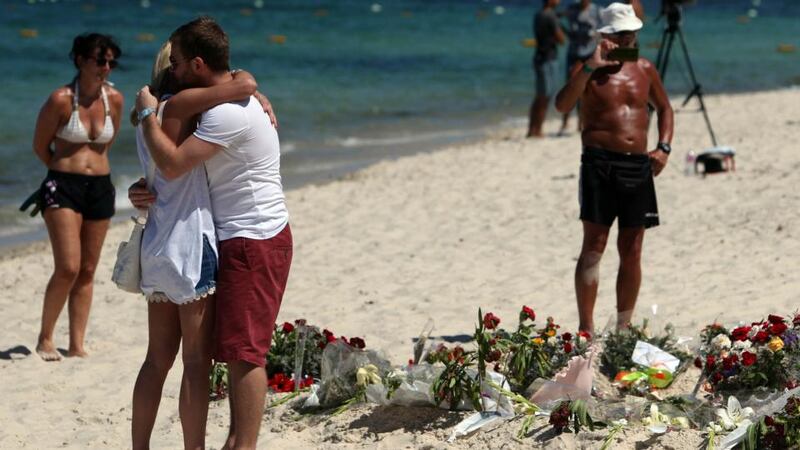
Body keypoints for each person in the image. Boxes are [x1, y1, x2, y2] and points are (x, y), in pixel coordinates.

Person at [133, 17, 292, 450]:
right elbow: (172, 166)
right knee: (212, 359)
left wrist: (146, 113)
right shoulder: (196, 109)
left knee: (165, 359)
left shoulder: (197, 113)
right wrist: (247, 86)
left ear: (197, 66)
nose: (181, 72)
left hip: (191, 241)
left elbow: (162, 169)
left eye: (186, 64)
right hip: (202, 242)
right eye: (177, 65)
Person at [554, 2, 673, 333]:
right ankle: (586, 328)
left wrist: (663, 148)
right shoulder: (587, 70)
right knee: (594, 246)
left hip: (638, 166)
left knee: (632, 249)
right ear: (605, 35)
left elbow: (665, 109)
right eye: (621, 35)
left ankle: (623, 327)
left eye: (631, 34)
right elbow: (562, 104)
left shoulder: (646, 69)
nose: (627, 41)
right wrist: (591, 67)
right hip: (599, 164)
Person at [32, 33, 124, 361]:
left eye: (111, 61)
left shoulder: (115, 99)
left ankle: (77, 344)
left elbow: (105, 147)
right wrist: (63, 171)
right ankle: (45, 338)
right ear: (81, 60)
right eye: (101, 60)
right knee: (68, 266)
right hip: (62, 186)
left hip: (100, 188)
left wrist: (89, 170)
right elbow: (40, 146)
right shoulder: (61, 99)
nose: (107, 67)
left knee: (87, 269)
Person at [559, 0, 602, 136]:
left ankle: (581, 122)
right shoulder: (571, 8)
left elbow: (604, 30)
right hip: (574, 53)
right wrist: (567, 33)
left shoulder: (597, 11)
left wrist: (598, 40)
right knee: (570, 86)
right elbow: (556, 17)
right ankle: (565, 122)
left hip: (589, 53)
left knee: (587, 88)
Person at [527, 0, 565, 138]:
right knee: (545, 96)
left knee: (540, 95)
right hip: (547, 59)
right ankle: (537, 130)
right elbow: (561, 39)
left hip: (540, 57)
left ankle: (532, 128)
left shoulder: (539, 14)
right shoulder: (550, 16)